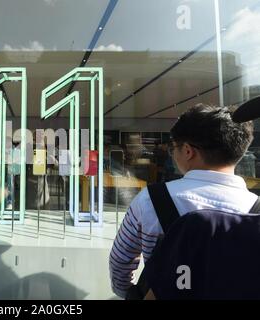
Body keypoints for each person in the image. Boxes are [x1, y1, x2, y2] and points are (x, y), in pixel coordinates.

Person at [109, 104, 256, 299]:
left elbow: (120, 260)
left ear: (187, 151)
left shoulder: (151, 200)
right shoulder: (256, 208)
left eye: (174, 147)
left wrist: (130, 293)